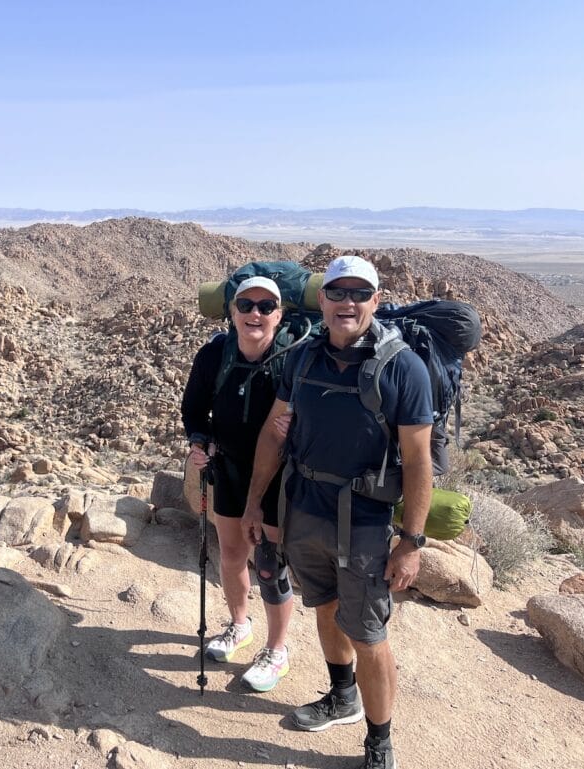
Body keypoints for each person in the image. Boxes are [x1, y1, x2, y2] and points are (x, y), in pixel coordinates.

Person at [243, 256, 433, 769]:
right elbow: (274, 432)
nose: (348, 302)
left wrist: (411, 541)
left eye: (360, 293)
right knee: (325, 606)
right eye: (338, 292)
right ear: (321, 299)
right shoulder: (302, 360)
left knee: (369, 634)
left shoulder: (403, 368)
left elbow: (418, 461)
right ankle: (341, 695)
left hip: (366, 523)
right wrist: (257, 501)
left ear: (375, 299)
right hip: (304, 508)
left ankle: (379, 741)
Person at [181, 276, 296, 693]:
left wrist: (296, 428)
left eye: (266, 307)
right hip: (227, 469)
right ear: (232, 311)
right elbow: (193, 410)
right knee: (231, 554)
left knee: (269, 562)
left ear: (279, 316)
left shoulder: (292, 360)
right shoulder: (215, 354)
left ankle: (277, 650)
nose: (255, 314)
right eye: (246, 304)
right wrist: (199, 441)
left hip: (276, 478)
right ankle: (239, 624)